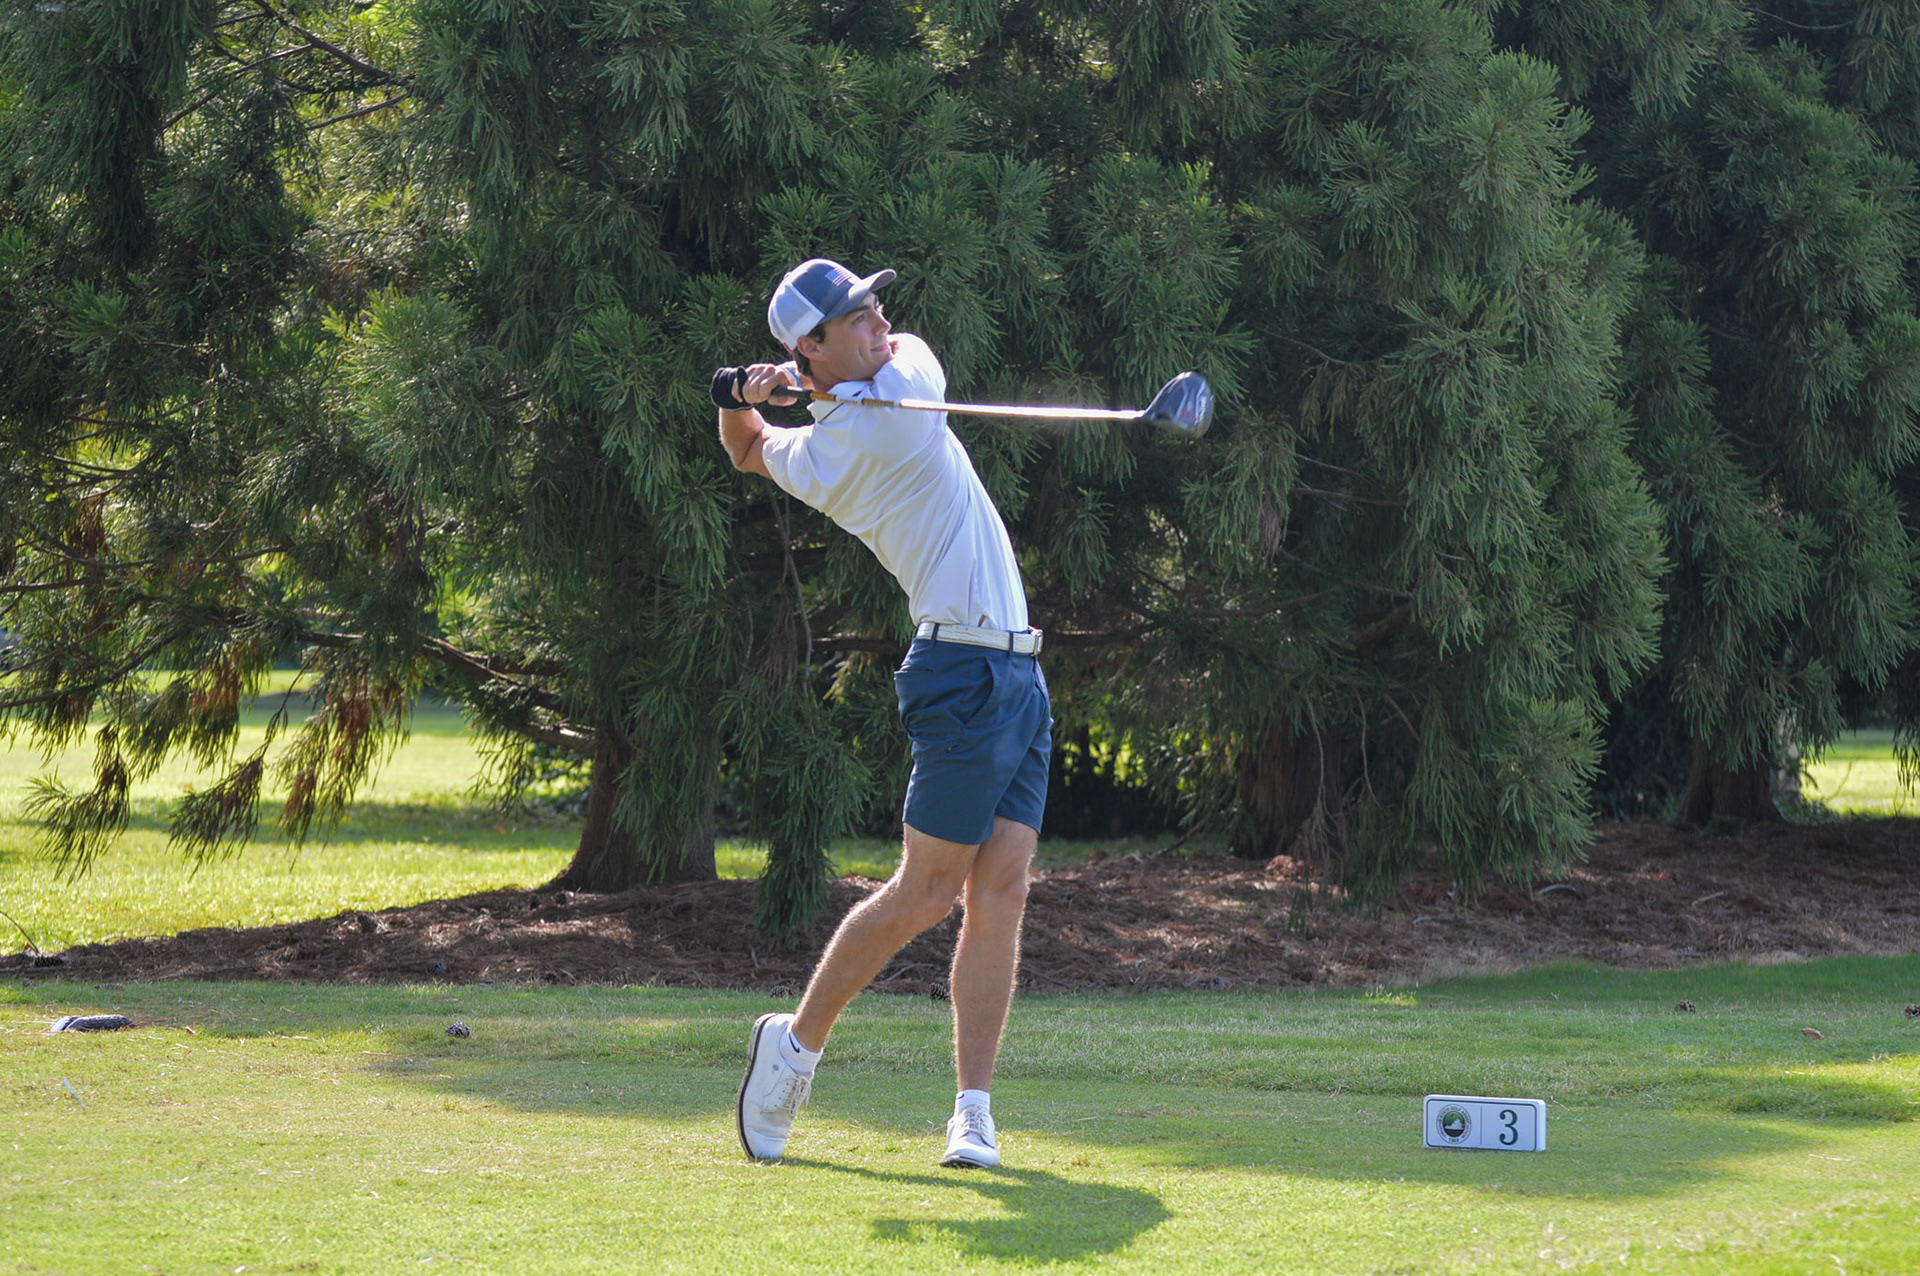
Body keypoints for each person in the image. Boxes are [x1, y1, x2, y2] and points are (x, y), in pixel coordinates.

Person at [712, 258, 1051, 1169]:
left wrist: (737, 397)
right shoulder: (885, 419)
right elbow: (881, 385)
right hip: (963, 670)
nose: (880, 321)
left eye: (874, 305)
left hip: (1018, 670)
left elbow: (747, 448)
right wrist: (773, 394)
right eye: (855, 316)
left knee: (1003, 891)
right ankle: (791, 1051)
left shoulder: (843, 429)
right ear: (812, 344)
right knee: (927, 893)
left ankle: (972, 1112)